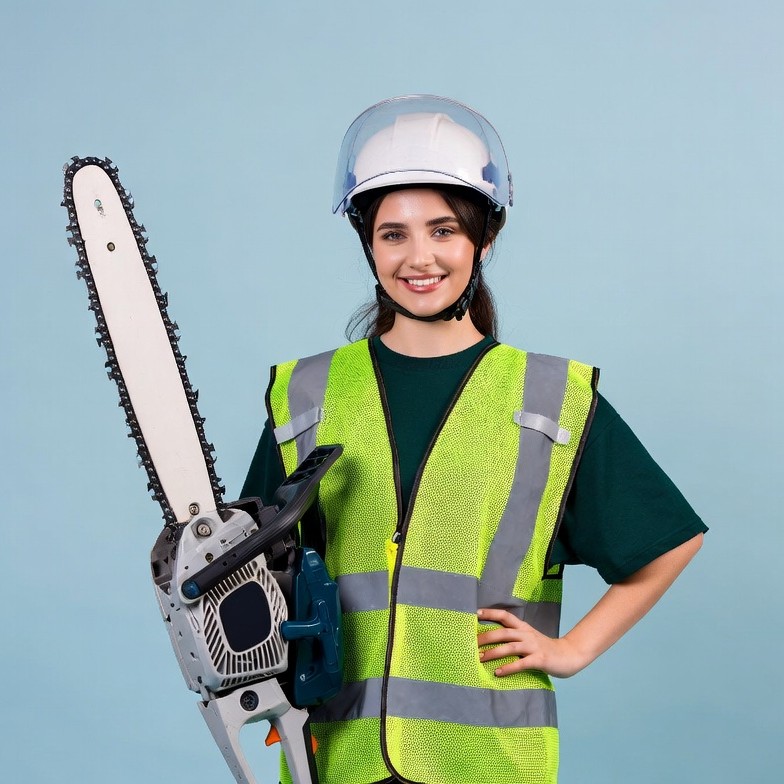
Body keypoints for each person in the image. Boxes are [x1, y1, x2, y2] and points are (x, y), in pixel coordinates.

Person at [242, 95, 706, 784]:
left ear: (483, 239)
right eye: (393, 234)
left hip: (488, 759)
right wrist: (263, 682)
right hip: (336, 756)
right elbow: (253, 567)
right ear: (368, 243)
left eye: (444, 230)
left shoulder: (547, 399)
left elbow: (669, 542)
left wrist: (573, 650)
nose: (418, 257)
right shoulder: (307, 394)